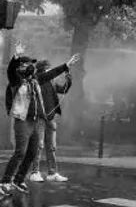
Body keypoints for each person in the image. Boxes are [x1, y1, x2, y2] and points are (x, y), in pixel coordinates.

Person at [1, 45, 80, 195]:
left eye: (31, 64)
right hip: (23, 122)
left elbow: (51, 74)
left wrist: (66, 65)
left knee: (31, 152)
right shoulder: (16, 81)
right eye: (26, 64)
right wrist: (15, 57)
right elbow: (10, 70)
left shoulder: (36, 79)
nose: (30, 66)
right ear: (20, 67)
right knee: (20, 152)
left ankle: (18, 180)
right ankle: (5, 182)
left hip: (35, 121)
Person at [28, 59, 73, 183]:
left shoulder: (51, 81)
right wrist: (64, 66)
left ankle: (52, 173)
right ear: (42, 69)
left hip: (51, 118)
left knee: (52, 147)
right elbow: (49, 74)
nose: (49, 70)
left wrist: (68, 79)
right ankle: (34, 172)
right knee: (39, 145)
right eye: (48, 68)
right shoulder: (38, 79)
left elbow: (64, 89)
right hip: (40, 118)